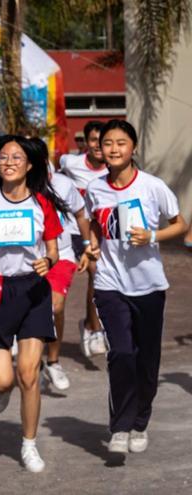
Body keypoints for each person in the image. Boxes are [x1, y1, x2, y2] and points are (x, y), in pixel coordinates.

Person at [0, 134, 65, 473]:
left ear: (30, 164)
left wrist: (47, 262)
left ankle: (29, 444)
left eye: (16, 158)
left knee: (28, 374)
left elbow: (53, 250)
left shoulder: (42, 202)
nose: (8, 163)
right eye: (3, 157)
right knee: (3, 380)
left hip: (35, 292)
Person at [84, 120, 187, 453]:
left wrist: (152, 236)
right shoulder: (94, 188)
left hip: (148, 285)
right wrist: (92, 245)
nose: (113, 149)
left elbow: (181, 225)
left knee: (147, 360)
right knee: (122, 353)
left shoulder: (152, 186)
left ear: (133, 148)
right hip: (110, 282)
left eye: (121, 143)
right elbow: (95, 226)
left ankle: (141, 421)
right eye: (107, 143)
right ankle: (121, 426)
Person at [33, 139, 98, 391]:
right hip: (29, 259)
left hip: (62, 254)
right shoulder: (16, 186)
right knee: (34, 309)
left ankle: (53, 360)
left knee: (56, 305)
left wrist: (86, 245)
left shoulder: (63, 183)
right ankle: (34, 362)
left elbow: (81, 214)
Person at [59, 120, 109, 357]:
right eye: (93, 141)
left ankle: (91, 326)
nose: (98, 146)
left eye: (102, 141)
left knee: (96, 274)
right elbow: (54, 172)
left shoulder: (114, 168)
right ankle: (92, 327)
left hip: (98, 231)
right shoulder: (71, 163)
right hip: (72, 230)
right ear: (85, 143)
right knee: (86, 274)